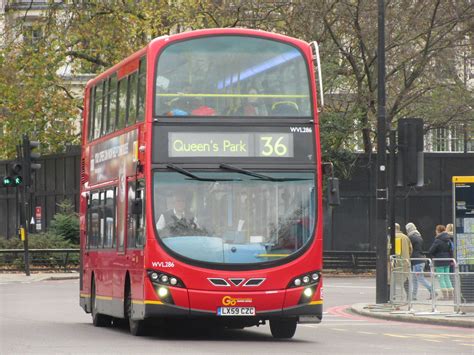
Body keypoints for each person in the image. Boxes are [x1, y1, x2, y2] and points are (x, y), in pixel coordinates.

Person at [406, 222, 432, 300]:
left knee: (419, 278)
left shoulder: (411, 237)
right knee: (415, 279)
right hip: (420, 259)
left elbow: (410, 249)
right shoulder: (418, 236)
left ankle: (432, 291)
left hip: (416, 260)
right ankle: (413, 296)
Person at [428, 225, 454, 300]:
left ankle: (445, 296)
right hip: (447, 260)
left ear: (438, 231)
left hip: (439, 261)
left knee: (441, 278)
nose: (435, 231)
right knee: (447, 277)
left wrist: (434, 256)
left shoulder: (438, 240)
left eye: (436, 230)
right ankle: (451, 295)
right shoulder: (448, 239)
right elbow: (451, 250)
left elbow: (431, 251)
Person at [394, 223, 412, 297]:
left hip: (398, 262)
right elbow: (410, 249)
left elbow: (397, 251)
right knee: (406, 278)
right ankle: (408, 295)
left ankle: (396, 296)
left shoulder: (396, 237)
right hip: (406, 261)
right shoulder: (405, 237)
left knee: (395, 279)